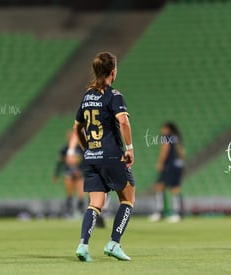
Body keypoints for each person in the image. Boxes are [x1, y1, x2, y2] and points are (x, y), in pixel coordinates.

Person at [74, 52, 135, 262]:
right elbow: (124, 122)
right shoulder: (114, 95)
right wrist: (130, 149)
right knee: (127, 198)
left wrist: (87, 149)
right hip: (111, 155)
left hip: (92, 156)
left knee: (95, 202)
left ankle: (83, 246)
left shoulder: (87, 96)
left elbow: (77, 128)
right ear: (113, 71)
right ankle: (114, 243)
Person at [149, 122, 185, 223]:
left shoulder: (166, 137)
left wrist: (161, 162)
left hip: (169, 165)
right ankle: (178, 213)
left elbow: (165, 149)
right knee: (175, 188)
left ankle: (160, 212)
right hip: (178, 165)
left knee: (160, 186)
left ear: (167, 129)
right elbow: (182, 152)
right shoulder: (177, 137)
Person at [53, 130, 85, 217]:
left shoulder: (81, 148)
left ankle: (81, 211)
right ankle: (69, 211)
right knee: (69, 193)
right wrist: (56, 174)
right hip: (68, 173)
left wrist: (82, 172)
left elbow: (85, 161)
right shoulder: (64, 149)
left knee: (81, 193)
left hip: (79, 174)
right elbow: (60, 162)